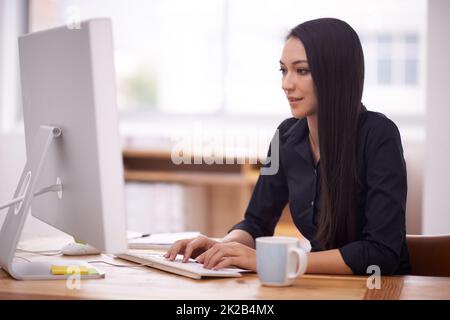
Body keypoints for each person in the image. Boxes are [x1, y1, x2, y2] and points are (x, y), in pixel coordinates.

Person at [165, 17, 411, 275]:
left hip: (377, 288)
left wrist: (285, 261)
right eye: (283, 70)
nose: (286, 84)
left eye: (301, 70)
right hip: (322, 286)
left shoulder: (379, 136)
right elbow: (257, 222)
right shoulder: (285, 136)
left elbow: (381, 253)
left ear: (335, 74)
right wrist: (222, 247)